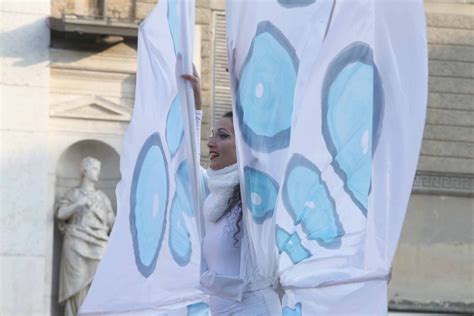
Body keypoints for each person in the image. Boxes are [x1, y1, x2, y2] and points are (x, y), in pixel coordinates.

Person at [182, 68, 281, 315]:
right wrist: (194, 108)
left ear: (245, 147)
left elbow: (269, 144)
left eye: (223, 136)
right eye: (212, 135)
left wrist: (244, 88)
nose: (211, 142)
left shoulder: (256, 193)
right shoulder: (214, 197)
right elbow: (188, 162)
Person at [56, 157, 115, 316]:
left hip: (99, 241)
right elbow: (61, 213)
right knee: (77, 285)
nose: (98, 172)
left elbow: (111, 221)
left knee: (99, 281)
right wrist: (78, 204)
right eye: (95, 168)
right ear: (85, 170)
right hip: (75, 242)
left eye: (99, 169)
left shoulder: (102, 197)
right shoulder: (73, 194)